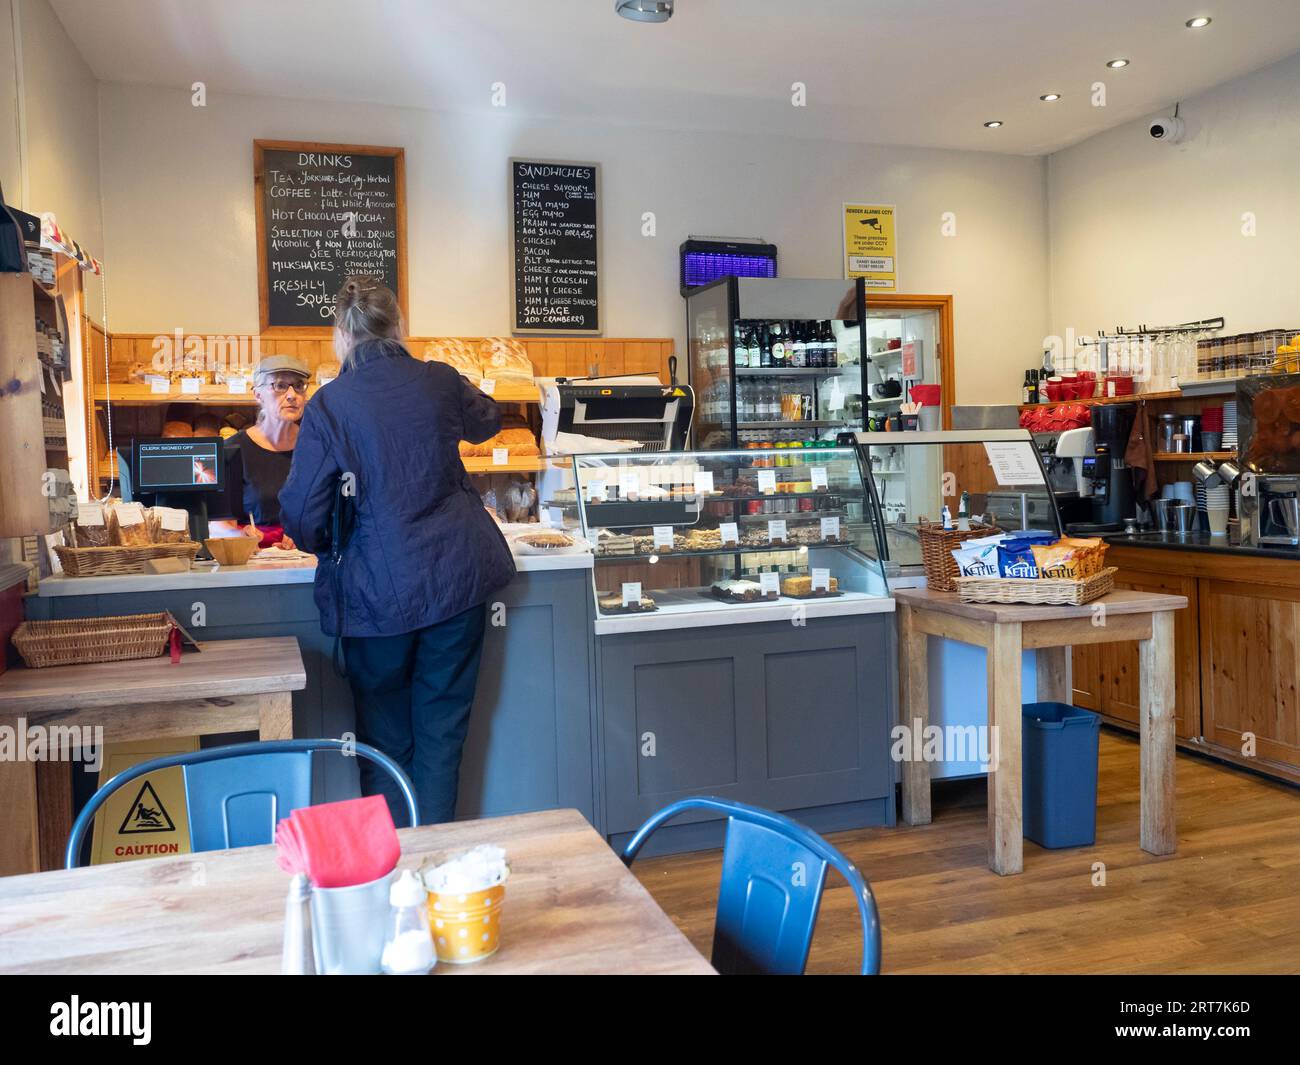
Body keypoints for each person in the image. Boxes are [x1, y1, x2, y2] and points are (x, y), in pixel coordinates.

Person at [279, 276, 516, 826]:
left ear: (340, 335)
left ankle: (392, 878)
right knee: (442, 733)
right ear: (400, 327)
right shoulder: (438, 380)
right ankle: (433, 873)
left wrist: (330, 543)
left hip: (375, 598)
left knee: (385, 743)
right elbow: (489, 421)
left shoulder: (330, 404)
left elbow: (300, 511)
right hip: (456, 583)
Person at [211, 355, 310, 548]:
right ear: (257, 395)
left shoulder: (316, 446)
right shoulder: (232, 451)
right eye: (280, 386)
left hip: (307, 561)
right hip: (253, 564)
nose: (292, 394)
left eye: (298, 385)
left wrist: (304, 531)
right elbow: (215, 524)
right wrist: (238, 534)